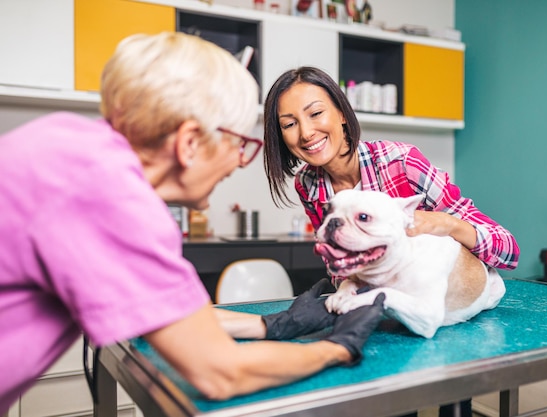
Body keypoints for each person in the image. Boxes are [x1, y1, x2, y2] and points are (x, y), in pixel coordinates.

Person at [0, 34, 387, 414]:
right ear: (189, 143)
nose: (239, 161)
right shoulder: (111, 198)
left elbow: (181, 318)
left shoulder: (69, 144)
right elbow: (219, 372)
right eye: (238, 143)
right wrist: (339, 346)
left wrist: (276, 323)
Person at [262, 66, 520, 417]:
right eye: (289, 123)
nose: (306, 132)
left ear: (341, 112)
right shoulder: (308, 182)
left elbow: (508, 248)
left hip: (449, 315)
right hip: (383, 324)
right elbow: (340, 262)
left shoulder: (401, 163)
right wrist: (346, 282)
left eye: (316, 113)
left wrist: (445, 223)